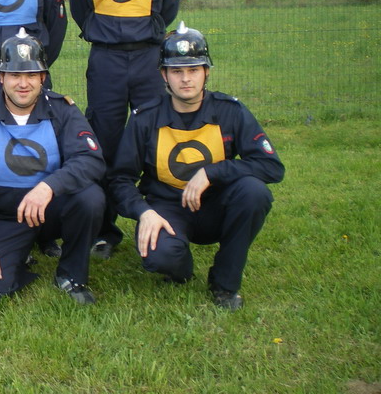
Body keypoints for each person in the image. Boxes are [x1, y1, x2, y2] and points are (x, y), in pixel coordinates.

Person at [110, 23, 284, 310]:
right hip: (167, 207)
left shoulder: (231, 112)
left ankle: (225, 283)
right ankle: (179, 265)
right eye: (176, 71)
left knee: (255, 193)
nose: (186, 79)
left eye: (193, 70)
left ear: (206, 72)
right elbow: (120, 179)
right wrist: (144, 212)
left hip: (218, 205)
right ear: (164, 75)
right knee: (161, 257)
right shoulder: (145, 118)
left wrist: (212, 172)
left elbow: (271, 167)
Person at [68, 0, 181, 259]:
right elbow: (79, 6)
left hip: (149, 57)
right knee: (105, 141)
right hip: (106, 59)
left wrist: (148, 30)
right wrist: (104, 31)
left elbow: (169, 4)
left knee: (154, 137)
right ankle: (105, 229)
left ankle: (162, 221)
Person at [0, 28, 106, 305]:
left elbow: (90, 160)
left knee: (90, 198)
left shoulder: (63, 110)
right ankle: (18, 254)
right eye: (15, 75)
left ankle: (71, 274)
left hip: (52, 210)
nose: (23, 84)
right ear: (1, 77)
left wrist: (48, 187)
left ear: (43, 77)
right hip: (5, 216)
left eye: (31, 75)